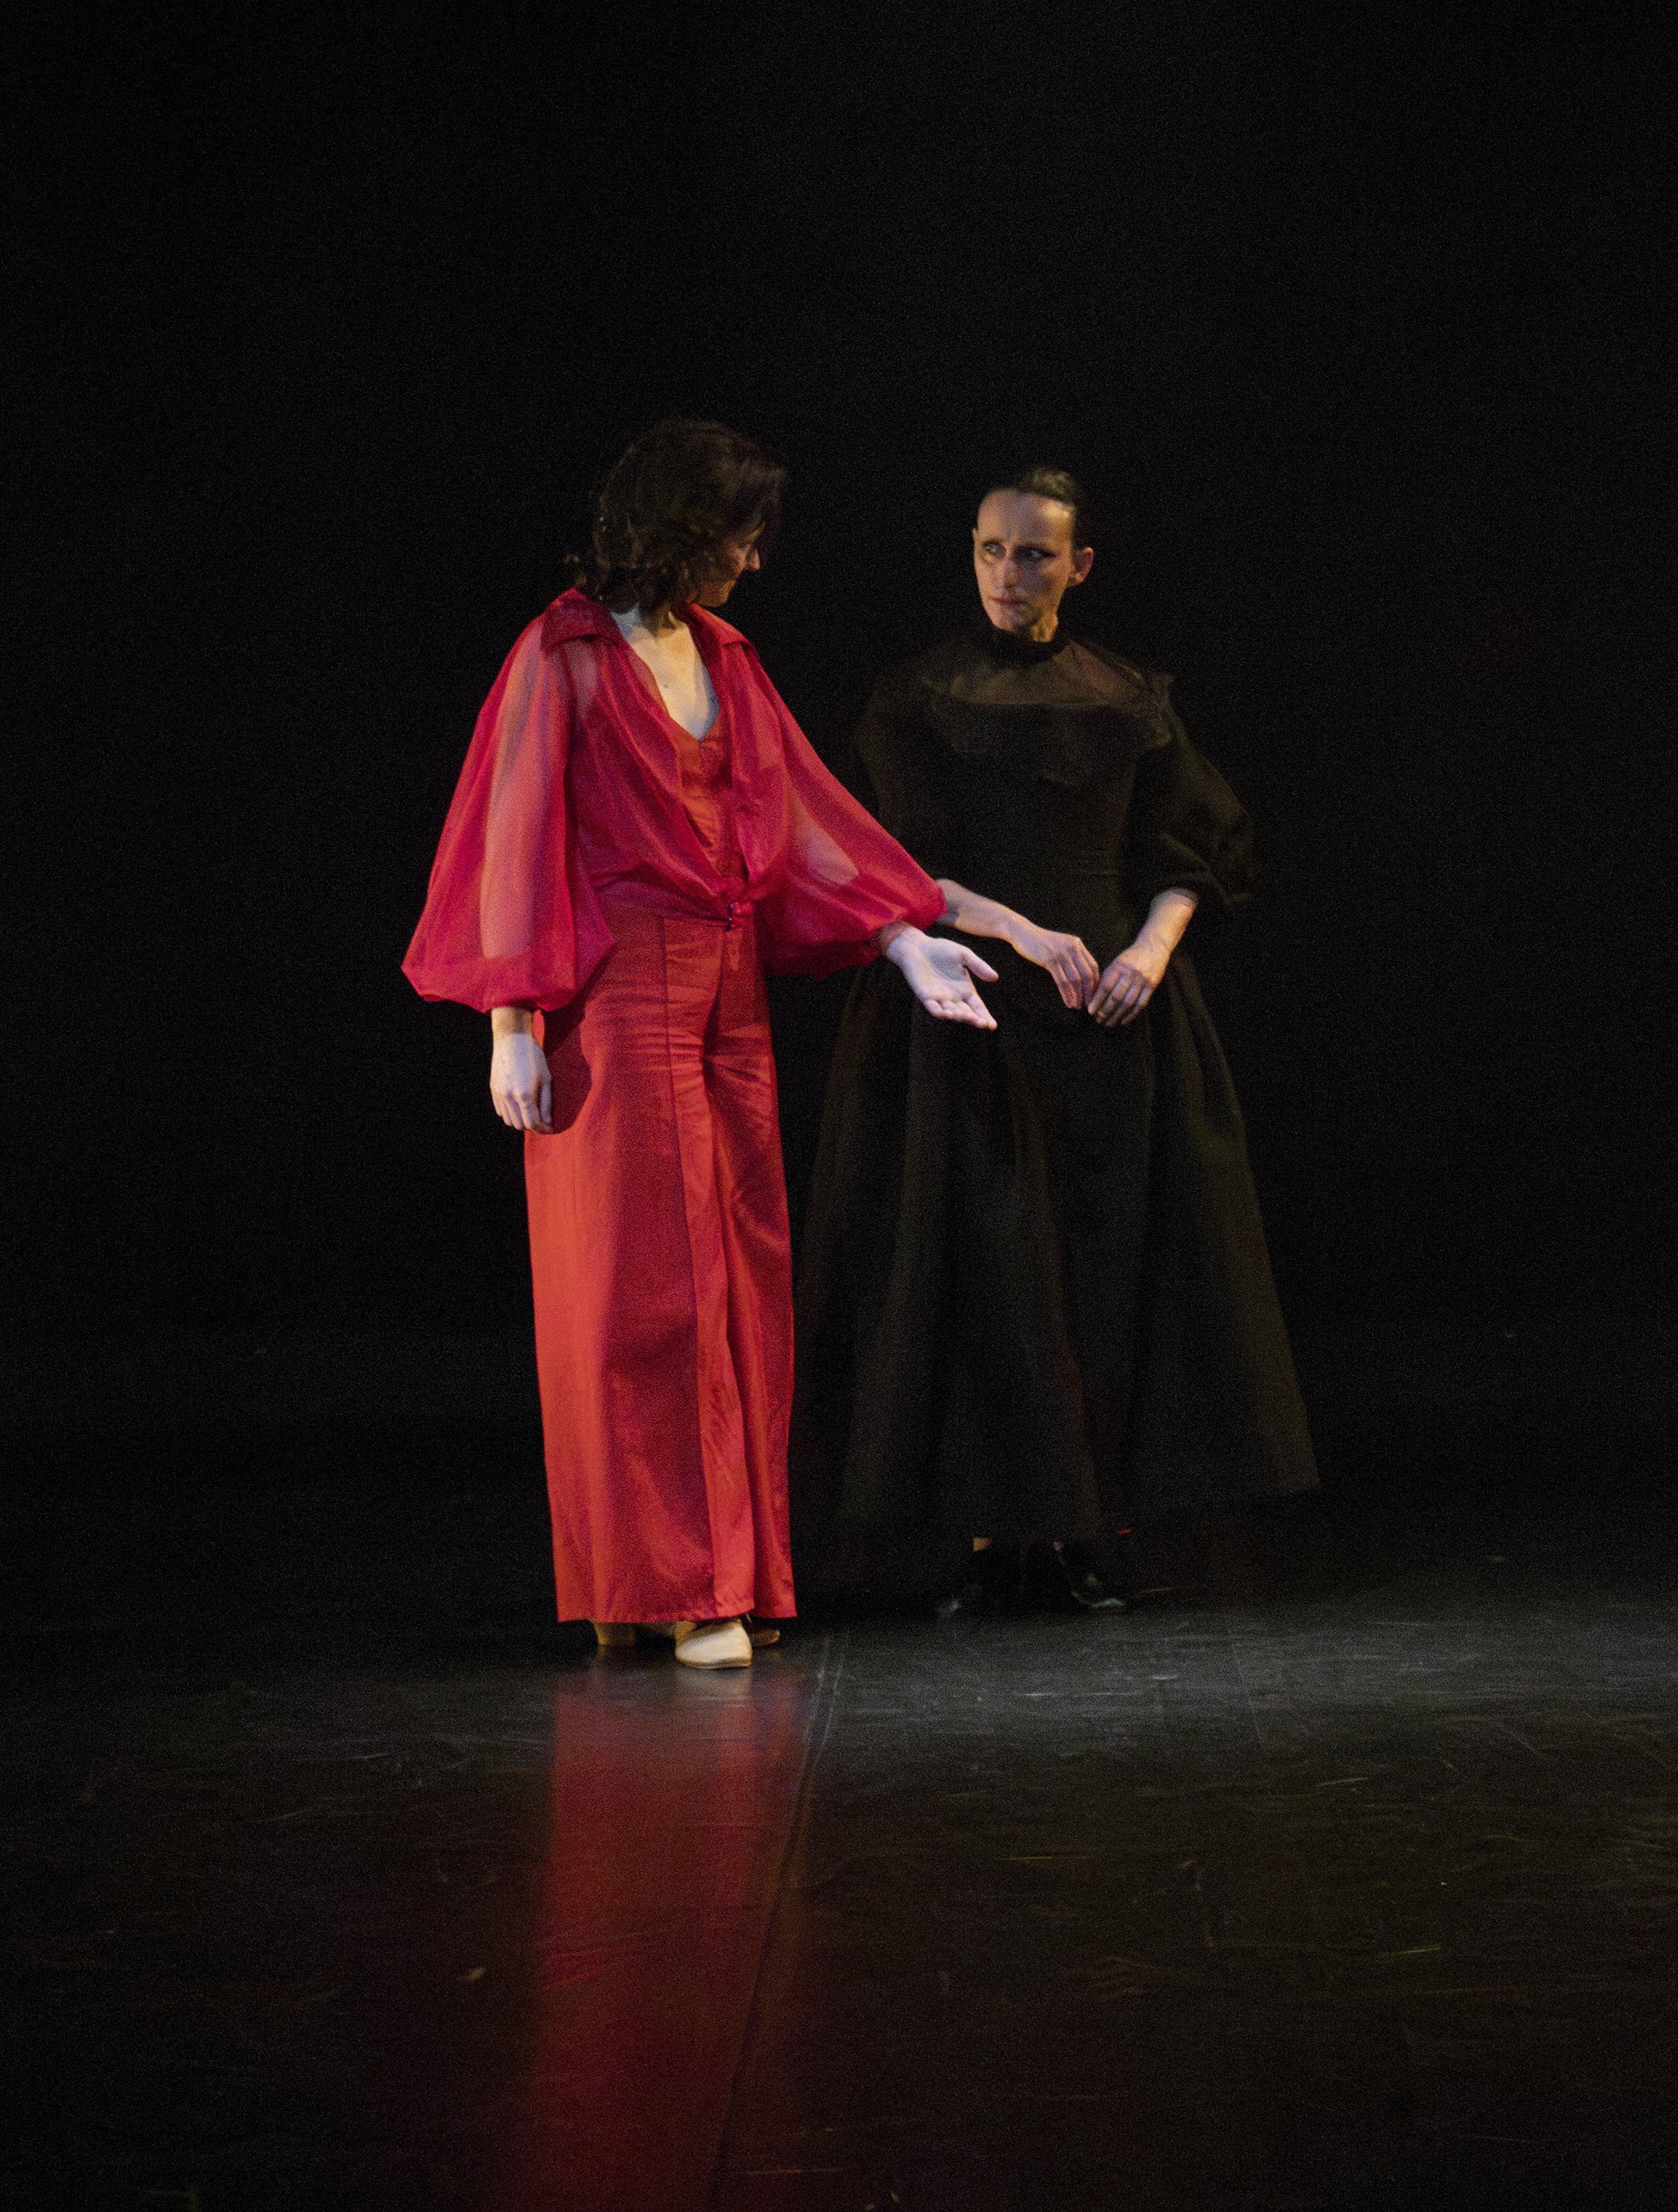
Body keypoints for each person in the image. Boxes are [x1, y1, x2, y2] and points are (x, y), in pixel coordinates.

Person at [403, 420, 998, 1667]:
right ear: (679, 528)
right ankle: (674, 1586)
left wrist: (902, 940)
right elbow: (516, 836)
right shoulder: (565, 655)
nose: (753, 558)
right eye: (738, 533)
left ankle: (719, 1573)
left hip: (726, 995)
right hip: (617, 994)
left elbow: (801, 819)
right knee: (639, 1292)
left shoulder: (726, 655)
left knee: (738, 1276)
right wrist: (512, 1024)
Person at [792, 468, 1316, 1618]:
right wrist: (1020, 931)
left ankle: (1080, 1529)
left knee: (1099, 1265)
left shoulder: (1127, 695)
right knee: (980, 1270)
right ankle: (987, 1535)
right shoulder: (919, 696)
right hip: (969, 1007)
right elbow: (887, 867)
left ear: (1078, 567)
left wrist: (1150, 953)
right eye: (990, 549)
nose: (1007, 572)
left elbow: (1194, 850)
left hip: (1107, 1022)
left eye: (1033, 554)